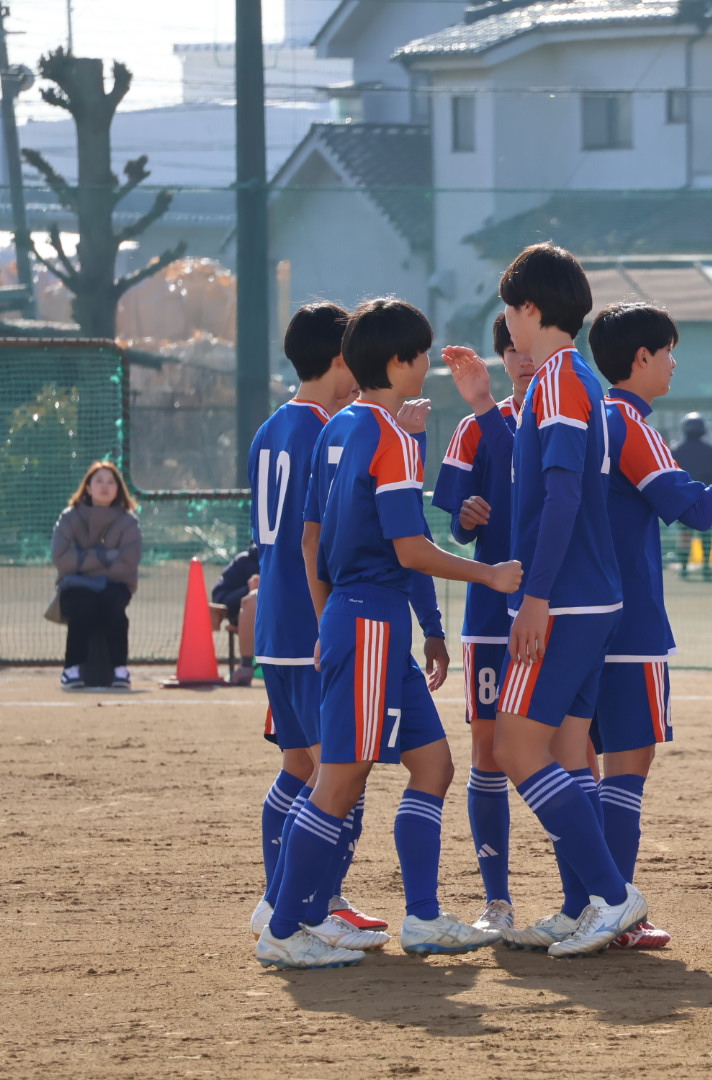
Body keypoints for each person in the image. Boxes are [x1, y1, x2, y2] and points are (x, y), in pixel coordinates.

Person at [255, 297, 521, 970]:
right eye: (422, 353)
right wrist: (489, 575)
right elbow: (411, 548)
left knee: (433, 765)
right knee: (339, 782)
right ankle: (283, 926)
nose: (427, 363)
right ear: (400, 362)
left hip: (361, 618)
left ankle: (424, 917)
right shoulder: (390, 437)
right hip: (372, 619)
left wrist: (327, 619)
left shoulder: (341, 425)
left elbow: (311, 539)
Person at [492, 242, 651, 958]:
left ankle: (613, 896)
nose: (508, 324)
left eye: (510, 310)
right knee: (564, 751)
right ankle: (582, 903)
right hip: (588, 596)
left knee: (514, 748)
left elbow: (561, 497)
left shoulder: (558, 379)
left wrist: (536, 596)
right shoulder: (573, 375)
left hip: (565, 600)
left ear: (530, 309)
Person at [579, 301, 712, 948]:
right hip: (631, 621)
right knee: (626, 770)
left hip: (576, 620)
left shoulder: (584, 416)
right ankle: (614, 910)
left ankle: (585, 905)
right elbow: (693, 511)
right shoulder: (629, 423)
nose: (673, 363)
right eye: (668, 351)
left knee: (579, 769)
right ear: (640, 358)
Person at [248, 302, 393, 947]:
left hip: (277, 625)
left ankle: (280, 898)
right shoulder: (327, 431)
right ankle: (311, 904)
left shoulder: (269, 428)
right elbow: (319, 540)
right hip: (312, 623)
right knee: (341, 772)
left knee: (299, 766)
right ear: (341, 358)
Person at [432, 313, 533, 935]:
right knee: (488, 752)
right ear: (501, 358)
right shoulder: (473, 428)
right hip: (492, 614)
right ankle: (497, 900)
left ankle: (589, 898)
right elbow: (453, 523)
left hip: (562, 610)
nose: (523, 359)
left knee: (576, 749)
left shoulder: (574, 419)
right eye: (511, 349)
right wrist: (465, 518)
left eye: (529, 347)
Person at [52, 460, 141, 690]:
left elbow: (128, 563)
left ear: (118, 489)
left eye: (111, 482)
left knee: (113, 605)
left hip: (116, 585)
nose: (105, 486)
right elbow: (61, 559)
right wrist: (104, 556)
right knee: (84, 604)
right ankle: (71, 670)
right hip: (75, 586)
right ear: (88, 487)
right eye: (99, 481)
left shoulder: (128, 521)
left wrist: (83, 559)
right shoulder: (69, 517)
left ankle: (120, 670)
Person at [672, 412, 712, 579]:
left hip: (683, 500)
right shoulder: (711, 451)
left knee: (684, 536)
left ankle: (684, 569)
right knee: (706, 536)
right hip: (705, 498)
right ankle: (706, 568)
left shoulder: (676, 450)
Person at [211, 545, 259, 685]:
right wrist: (248, 590)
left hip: (286, 616)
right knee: (254, 597)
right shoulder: (244, 561)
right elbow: (220, 598)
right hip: (246, 618)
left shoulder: (293, 557)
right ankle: (246, 666)